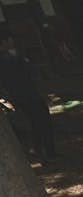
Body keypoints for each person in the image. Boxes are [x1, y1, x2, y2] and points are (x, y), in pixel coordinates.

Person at [0, 26, 55, 162]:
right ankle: (41, 150)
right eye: (10, 39)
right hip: (24, 94)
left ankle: (46, 150)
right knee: (36, 122)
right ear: (5, 41)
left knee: (38, 121)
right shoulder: (9, 57)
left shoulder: (13, 55)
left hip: (24, 93)